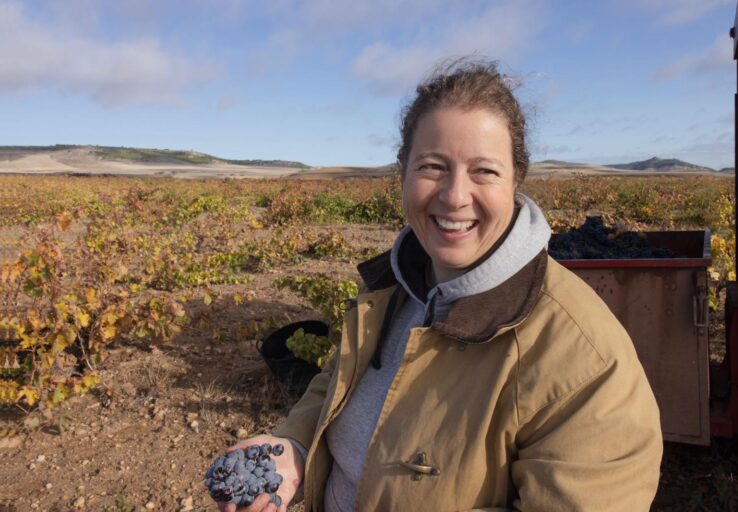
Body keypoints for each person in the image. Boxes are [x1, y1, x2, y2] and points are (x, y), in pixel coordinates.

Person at [218, 59, 663, 512]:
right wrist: (294, 446)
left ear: (517, 181)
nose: (454, 196)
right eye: (432, 167)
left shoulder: (585, 356)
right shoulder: (393, 288)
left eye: (484, 171)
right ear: (404, 172)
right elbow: (338, 379)